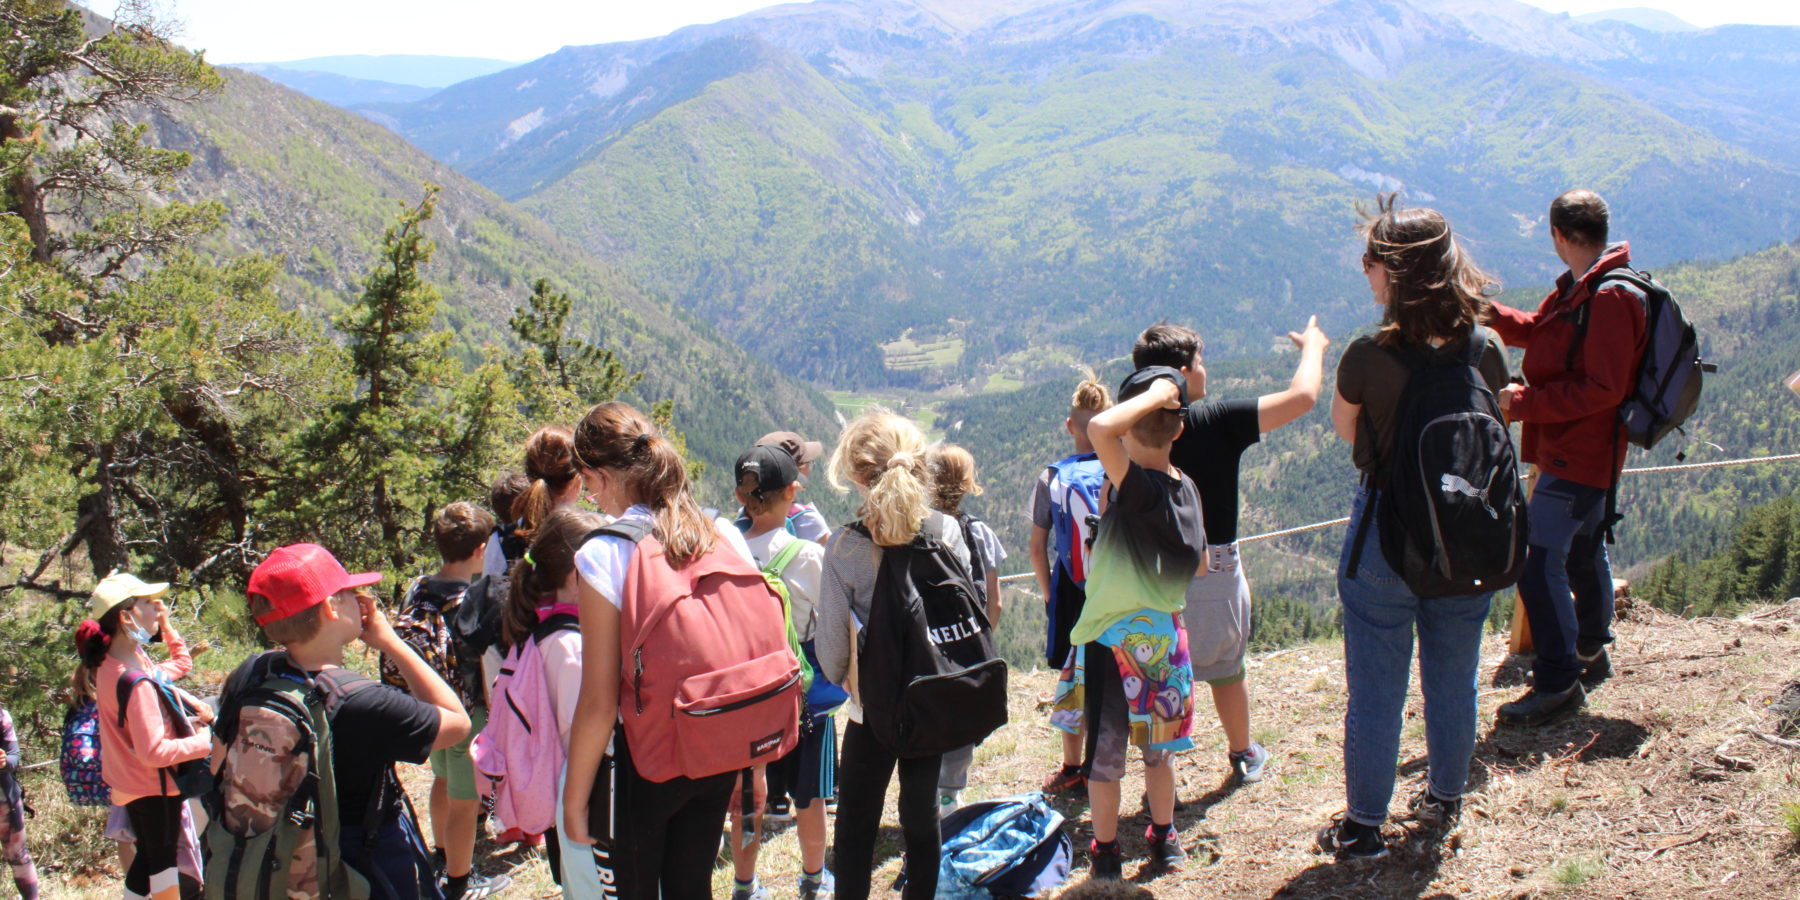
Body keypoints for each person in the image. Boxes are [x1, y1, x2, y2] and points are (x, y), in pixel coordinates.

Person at [1321, 195, 1512, 860]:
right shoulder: (1486, 348)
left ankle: (1365, 827)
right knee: (1453, 676)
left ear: (1393, 273)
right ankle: (1445, 798)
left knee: (1377, 686)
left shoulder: (1367, 356)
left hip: (1385, 540)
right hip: (1466, 535)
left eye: (1372, 260)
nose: (1365, 270)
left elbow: (1352, 435)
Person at [558, 401, 760, 900]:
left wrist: (573, 798)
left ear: (595, 476)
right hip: (714, 742)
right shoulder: (721, 531)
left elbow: (599, 700)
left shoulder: (604, 553)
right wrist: (747, 762)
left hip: (641, 762)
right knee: (693, 885)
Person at [1129, 315, 1329, 786]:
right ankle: (1242, 751)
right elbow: (1302, 398)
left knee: (1159, 675)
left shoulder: (1128, 432)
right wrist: (1313, 348)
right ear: (1182, 371)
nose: (1205, 370)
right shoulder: (1216, 421)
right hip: (1211, 571)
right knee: (1226, 670)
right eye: (1200, 361)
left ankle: (1161, 781)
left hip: (1149, 573)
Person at [1488, 189, 1648, 727]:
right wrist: (1492, 315)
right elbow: (1544, 333)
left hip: (1580, 454)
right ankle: (1589, 650)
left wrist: (1525, 403)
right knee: (1584, 548)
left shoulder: (1607, 296)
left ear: (1558, 234)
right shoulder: (1588, 286)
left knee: (1536, 560)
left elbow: (1603, 387)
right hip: (1587, 454)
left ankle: (1557, 682)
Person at [233, 544, 472, 899]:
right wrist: (391, 642)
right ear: (331, 607)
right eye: (348, 593)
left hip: (289, 860)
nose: (359, 599)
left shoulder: (252, 674)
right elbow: (457, 723)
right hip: (370, 862)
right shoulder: (363, 701)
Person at [816, 411, 972, 900]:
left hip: (870, 711)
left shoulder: (844, 547)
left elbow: (834, 655)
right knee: (922, 816)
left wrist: (847, 679)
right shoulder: (945, 531)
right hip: (929, 699)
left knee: (857, 824)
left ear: (858, 475)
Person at [1066, 368, 1204, 879]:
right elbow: (1203, 563)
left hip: (1110, 644)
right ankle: (1164, 835)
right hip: (1164, 642)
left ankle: (1104, 852)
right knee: (1159, 753)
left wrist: (1154, 396)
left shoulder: (1133, 487)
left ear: (1127, 430)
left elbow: (1100, 429)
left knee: (1104, 759)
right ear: (1180, 430)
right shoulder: (1185, 488)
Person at [380, 502, 509, 900]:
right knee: (466, 801)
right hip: (468, 713)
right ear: (479, 550)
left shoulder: (418, 586)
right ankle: (459, 880)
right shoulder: (478, 596)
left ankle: (440, 854)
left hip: (428, 709)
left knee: (442, 780)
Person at [729, 444, 837, 900]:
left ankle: (744, 886)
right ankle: (813, 879)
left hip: (741, 699)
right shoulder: (807, 557)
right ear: (793, 491)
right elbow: (826, 625)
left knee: (746, 801)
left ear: (741, 496)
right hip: (801, 700)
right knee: (810, 797)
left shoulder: (725, 553)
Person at [498, 506, 608, 899]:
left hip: (566, 789)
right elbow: (583, 734)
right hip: (586, 792)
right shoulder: (573, 648)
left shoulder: (543, 628)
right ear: (579, 575)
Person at [85, 572, 213, 900]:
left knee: (148, 859)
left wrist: (166, 626)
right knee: (162, 863)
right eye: (148, 603)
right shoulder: (137, 680)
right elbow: (153, 752)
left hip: (131, 783)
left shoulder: (111, 664)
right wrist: (206, 742)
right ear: (126, 616)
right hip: (153, 785)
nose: (158, 609)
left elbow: (178, 665)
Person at [1033, 375, 1111, 795]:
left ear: (1070, 426)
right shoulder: (1122, 466)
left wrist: (1050, 596)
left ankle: (1072, 766)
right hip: (1115, 587)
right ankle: (1114, 761)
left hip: (1070, 589)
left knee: (1071, 674)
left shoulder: (1053, 477)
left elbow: (1036, 546)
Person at [928, 443, 1006, 815]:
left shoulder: (920, 528)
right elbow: (996, 600)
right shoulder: (979, 532)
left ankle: (925, 784)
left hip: (929, 639)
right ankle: (950, 792)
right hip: (969, 639)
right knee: (962, 711)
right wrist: (984, 640)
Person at [754, 430, 832, 543]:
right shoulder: (808, 520)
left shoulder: (746, 515)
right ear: (796, 473)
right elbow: (833, 558)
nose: (810, 471)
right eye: (808, 464)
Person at [0, 702, 39, 900]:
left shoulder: (1, 715)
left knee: (19, 857)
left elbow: (15, 757)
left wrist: (6, 761)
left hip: (5, 802)